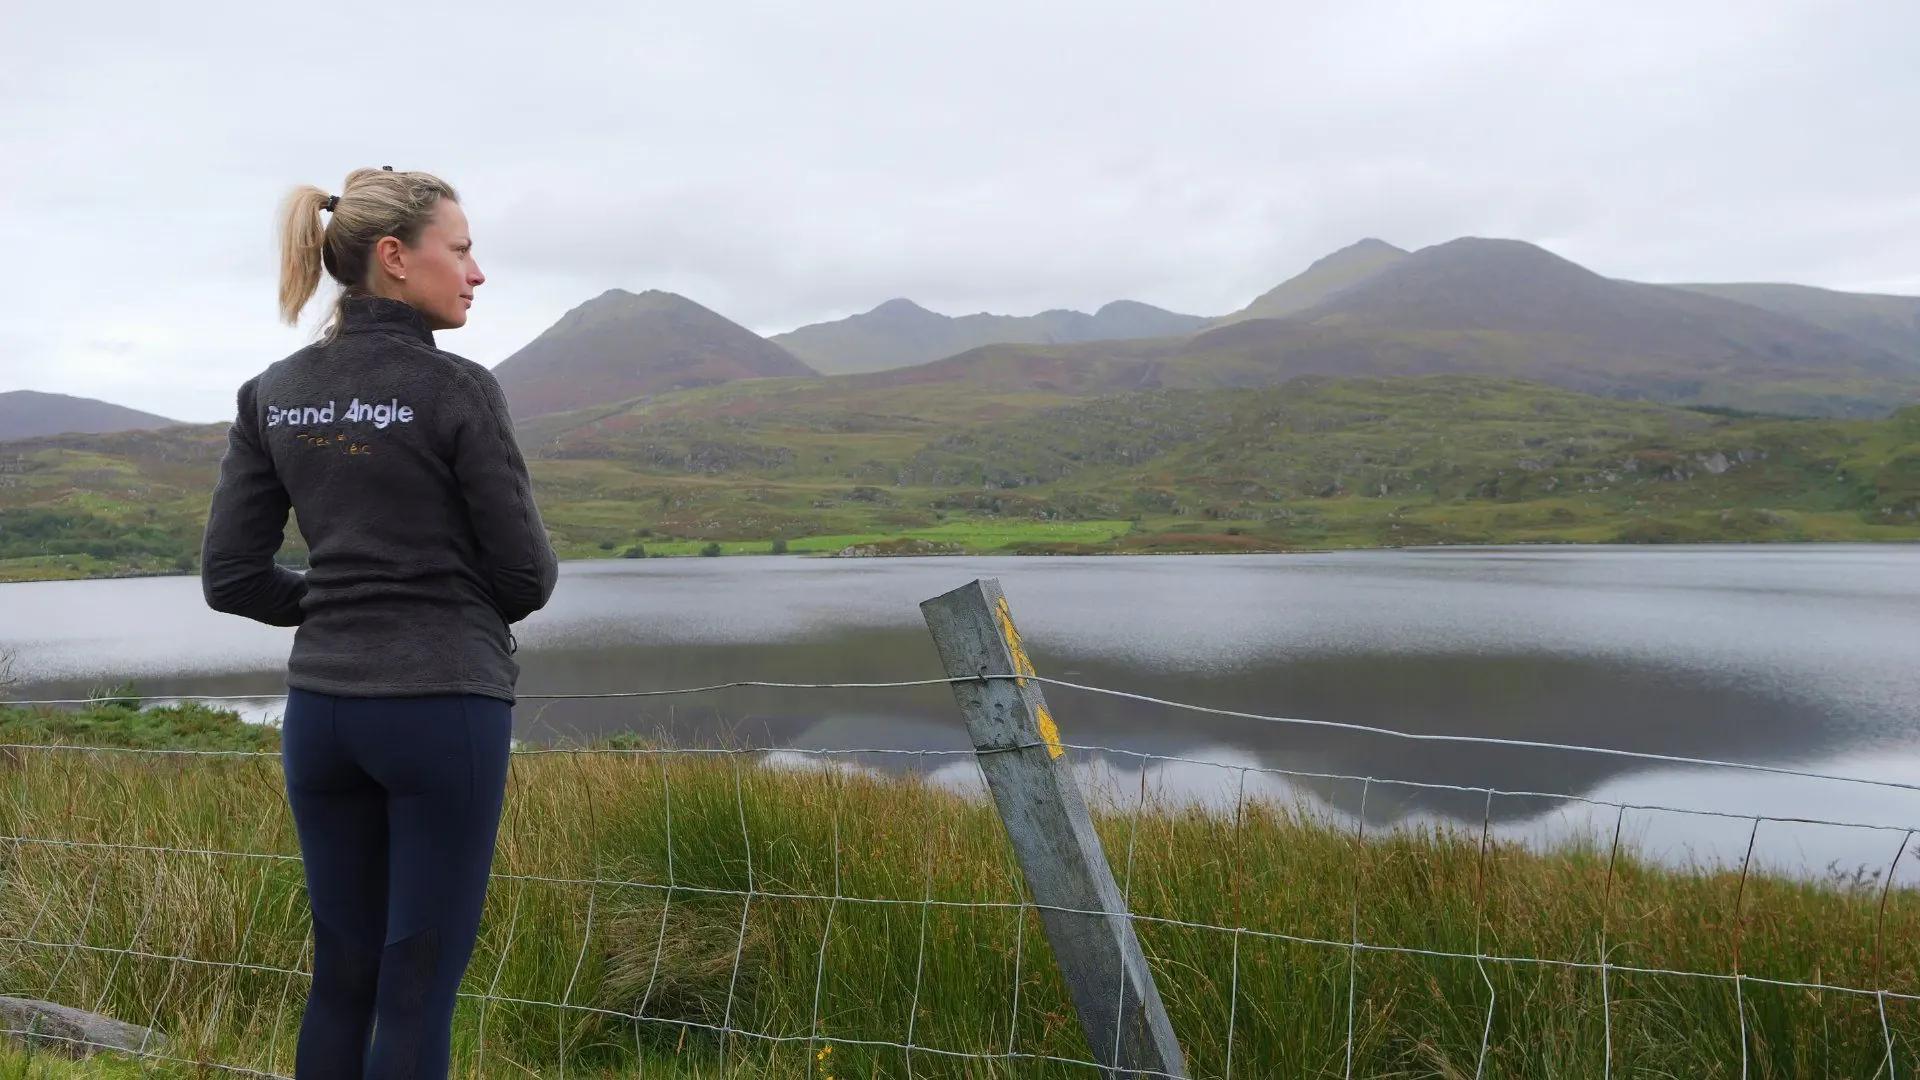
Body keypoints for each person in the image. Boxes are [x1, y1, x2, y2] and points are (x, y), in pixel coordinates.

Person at [200, 166, 558, 1078]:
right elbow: (525, 575)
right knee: (417, 988)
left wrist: (334, 604)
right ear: (396, 259)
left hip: (321, 717)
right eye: (464, 249)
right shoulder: (457, 388)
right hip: (442, 706)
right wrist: (435, 607)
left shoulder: (273, 391)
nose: (477, 273)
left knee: (342, 981)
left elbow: (233, 577)